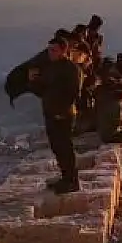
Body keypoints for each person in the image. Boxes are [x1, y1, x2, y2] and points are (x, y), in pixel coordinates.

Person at [36, 36, 84, 194]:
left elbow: (74, 93)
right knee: (56, 147)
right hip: (50, 113)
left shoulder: (71, 69)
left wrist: (62, 111)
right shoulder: (51, 67)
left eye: (54, 50)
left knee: (65, 147)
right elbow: (44, 88)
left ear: (64, 51)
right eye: (49, 49)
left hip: (64, 115)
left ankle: (72, 180)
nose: (50, 53)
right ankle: (65, 177)